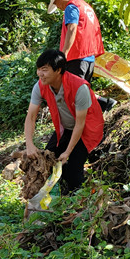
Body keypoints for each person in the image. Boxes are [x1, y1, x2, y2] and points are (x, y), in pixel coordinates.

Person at [24, 49, 104, 193]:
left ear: (58, 70)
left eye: (44, 70)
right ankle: (58, 197)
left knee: (73, 171)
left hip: (86, 129)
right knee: (47, 161)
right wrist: (29, 144)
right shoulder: (40, 85)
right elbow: (30, 116)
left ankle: (80, 200)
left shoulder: (80, 88)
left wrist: (67, 152)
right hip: (65, 128)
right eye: (38, 69)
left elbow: (80, 124)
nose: (39, 74)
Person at [46, 0, 115, 112]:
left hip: (76, 57)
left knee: (74, 92)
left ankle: (105, 105)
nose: (58, 7)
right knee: (81, 90)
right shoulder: (84, 5)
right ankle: (105, 105)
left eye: (56, 4)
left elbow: (72, 28)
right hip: (88, 57)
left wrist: (63, 54)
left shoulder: (71, 7)